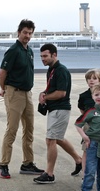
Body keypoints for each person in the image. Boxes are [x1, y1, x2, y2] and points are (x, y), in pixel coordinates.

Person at [0, 19, 43, 179]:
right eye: (25, 32)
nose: (27, 36)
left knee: (29, 129)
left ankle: (27, 163)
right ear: (19, 32)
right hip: (14, 93)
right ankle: (3, 165)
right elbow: (2, 73)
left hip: (27, 93)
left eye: (30, 33)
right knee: (12, 129)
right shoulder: (13, 50)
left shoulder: (28, 51)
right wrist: (4, 89)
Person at [34, 43, 83, 183]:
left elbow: (61, 93)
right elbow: (52, 88)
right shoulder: (51, 70)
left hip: (60, 109)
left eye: (45, 56)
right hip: (54, 109)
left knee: (50, 140)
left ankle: (49, 174)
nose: (42, 59)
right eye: (41, 56)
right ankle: (78, 160)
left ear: (54, 55)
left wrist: (46, 97)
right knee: (58, 138)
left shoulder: (61, 70)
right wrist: (44, 93)